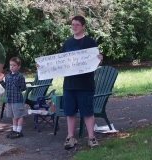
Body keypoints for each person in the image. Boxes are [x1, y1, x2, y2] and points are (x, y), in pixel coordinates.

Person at [59, 15, 103, 149]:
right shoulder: (67, 43)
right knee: (70, 112)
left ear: (83, 26)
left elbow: (96, 61)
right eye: (72, 24)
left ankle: (91, 138)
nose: (74, 27)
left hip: (85, 84)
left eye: (77, 24)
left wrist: (100, 59)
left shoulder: (90, 42)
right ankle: (70, 137)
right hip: (69, 85)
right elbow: (58, 61)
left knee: (87, 112)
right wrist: (43, 66)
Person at [0, 57, 27, 139]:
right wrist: (1, 81)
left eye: (14, 65)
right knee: (13, 115)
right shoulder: (7, 76)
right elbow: (6, 87)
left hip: (17, 99)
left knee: (19, 115)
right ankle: (14, 129)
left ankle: (19, 131)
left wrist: (16, 88)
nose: (12, 67)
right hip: (9, 99)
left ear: (18, 66)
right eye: (10, 65)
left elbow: (23, 88)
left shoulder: (20, 76)